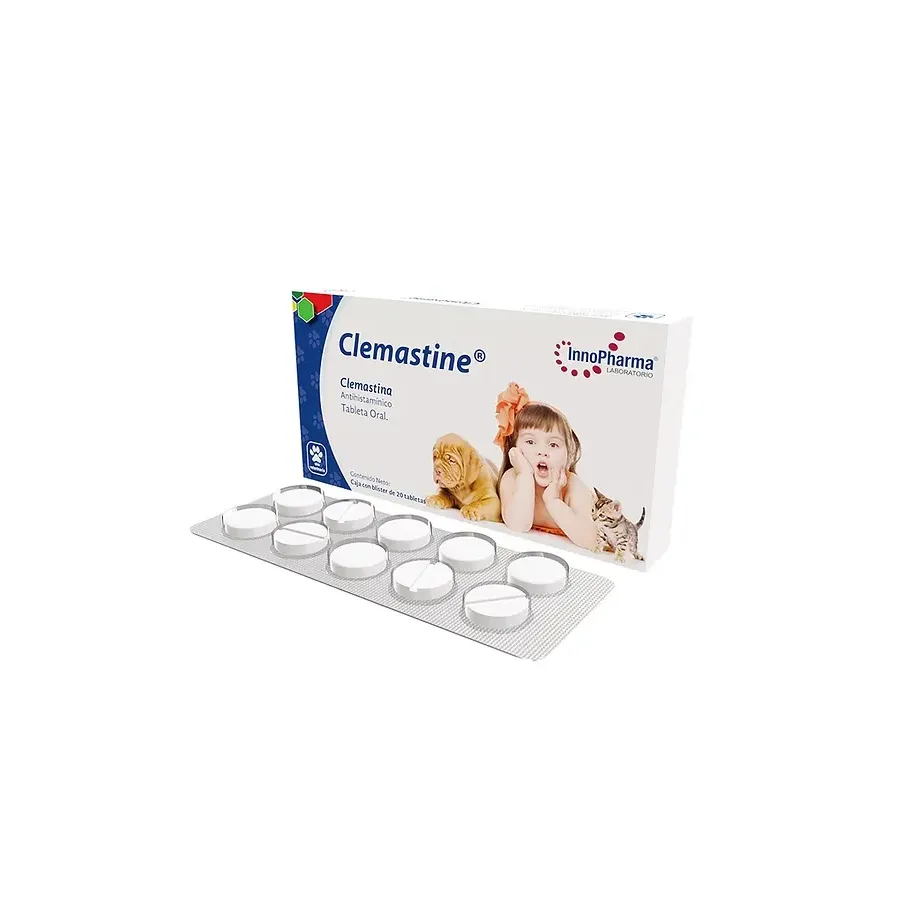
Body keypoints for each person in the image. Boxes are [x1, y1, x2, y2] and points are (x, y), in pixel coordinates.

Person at [494, 382, 597, 550]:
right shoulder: (513, 478)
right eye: (530, 442)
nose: (542, 452)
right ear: (514, 449)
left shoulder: (573, 486)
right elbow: (518, 525)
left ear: (568, 454)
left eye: (553, 445)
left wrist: (553, 501)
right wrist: (525, 476)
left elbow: (591, 540)